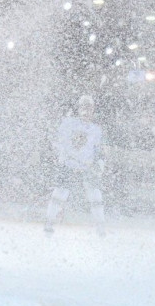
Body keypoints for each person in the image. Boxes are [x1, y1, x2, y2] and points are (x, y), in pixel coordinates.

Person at [44, 95, 108, 237]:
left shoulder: (96, 130)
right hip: (69, 165)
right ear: (79, 108)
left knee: (95, 195)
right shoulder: (68, 124)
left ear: (93, 110)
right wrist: (61, 152)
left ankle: (100, 226)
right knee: (59, 193)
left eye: (89, 107)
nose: (86, 110)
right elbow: (58, 140)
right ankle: (49, 222)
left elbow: (99, 150)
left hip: (87, 167)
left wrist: (99, 163)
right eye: (83, 107)